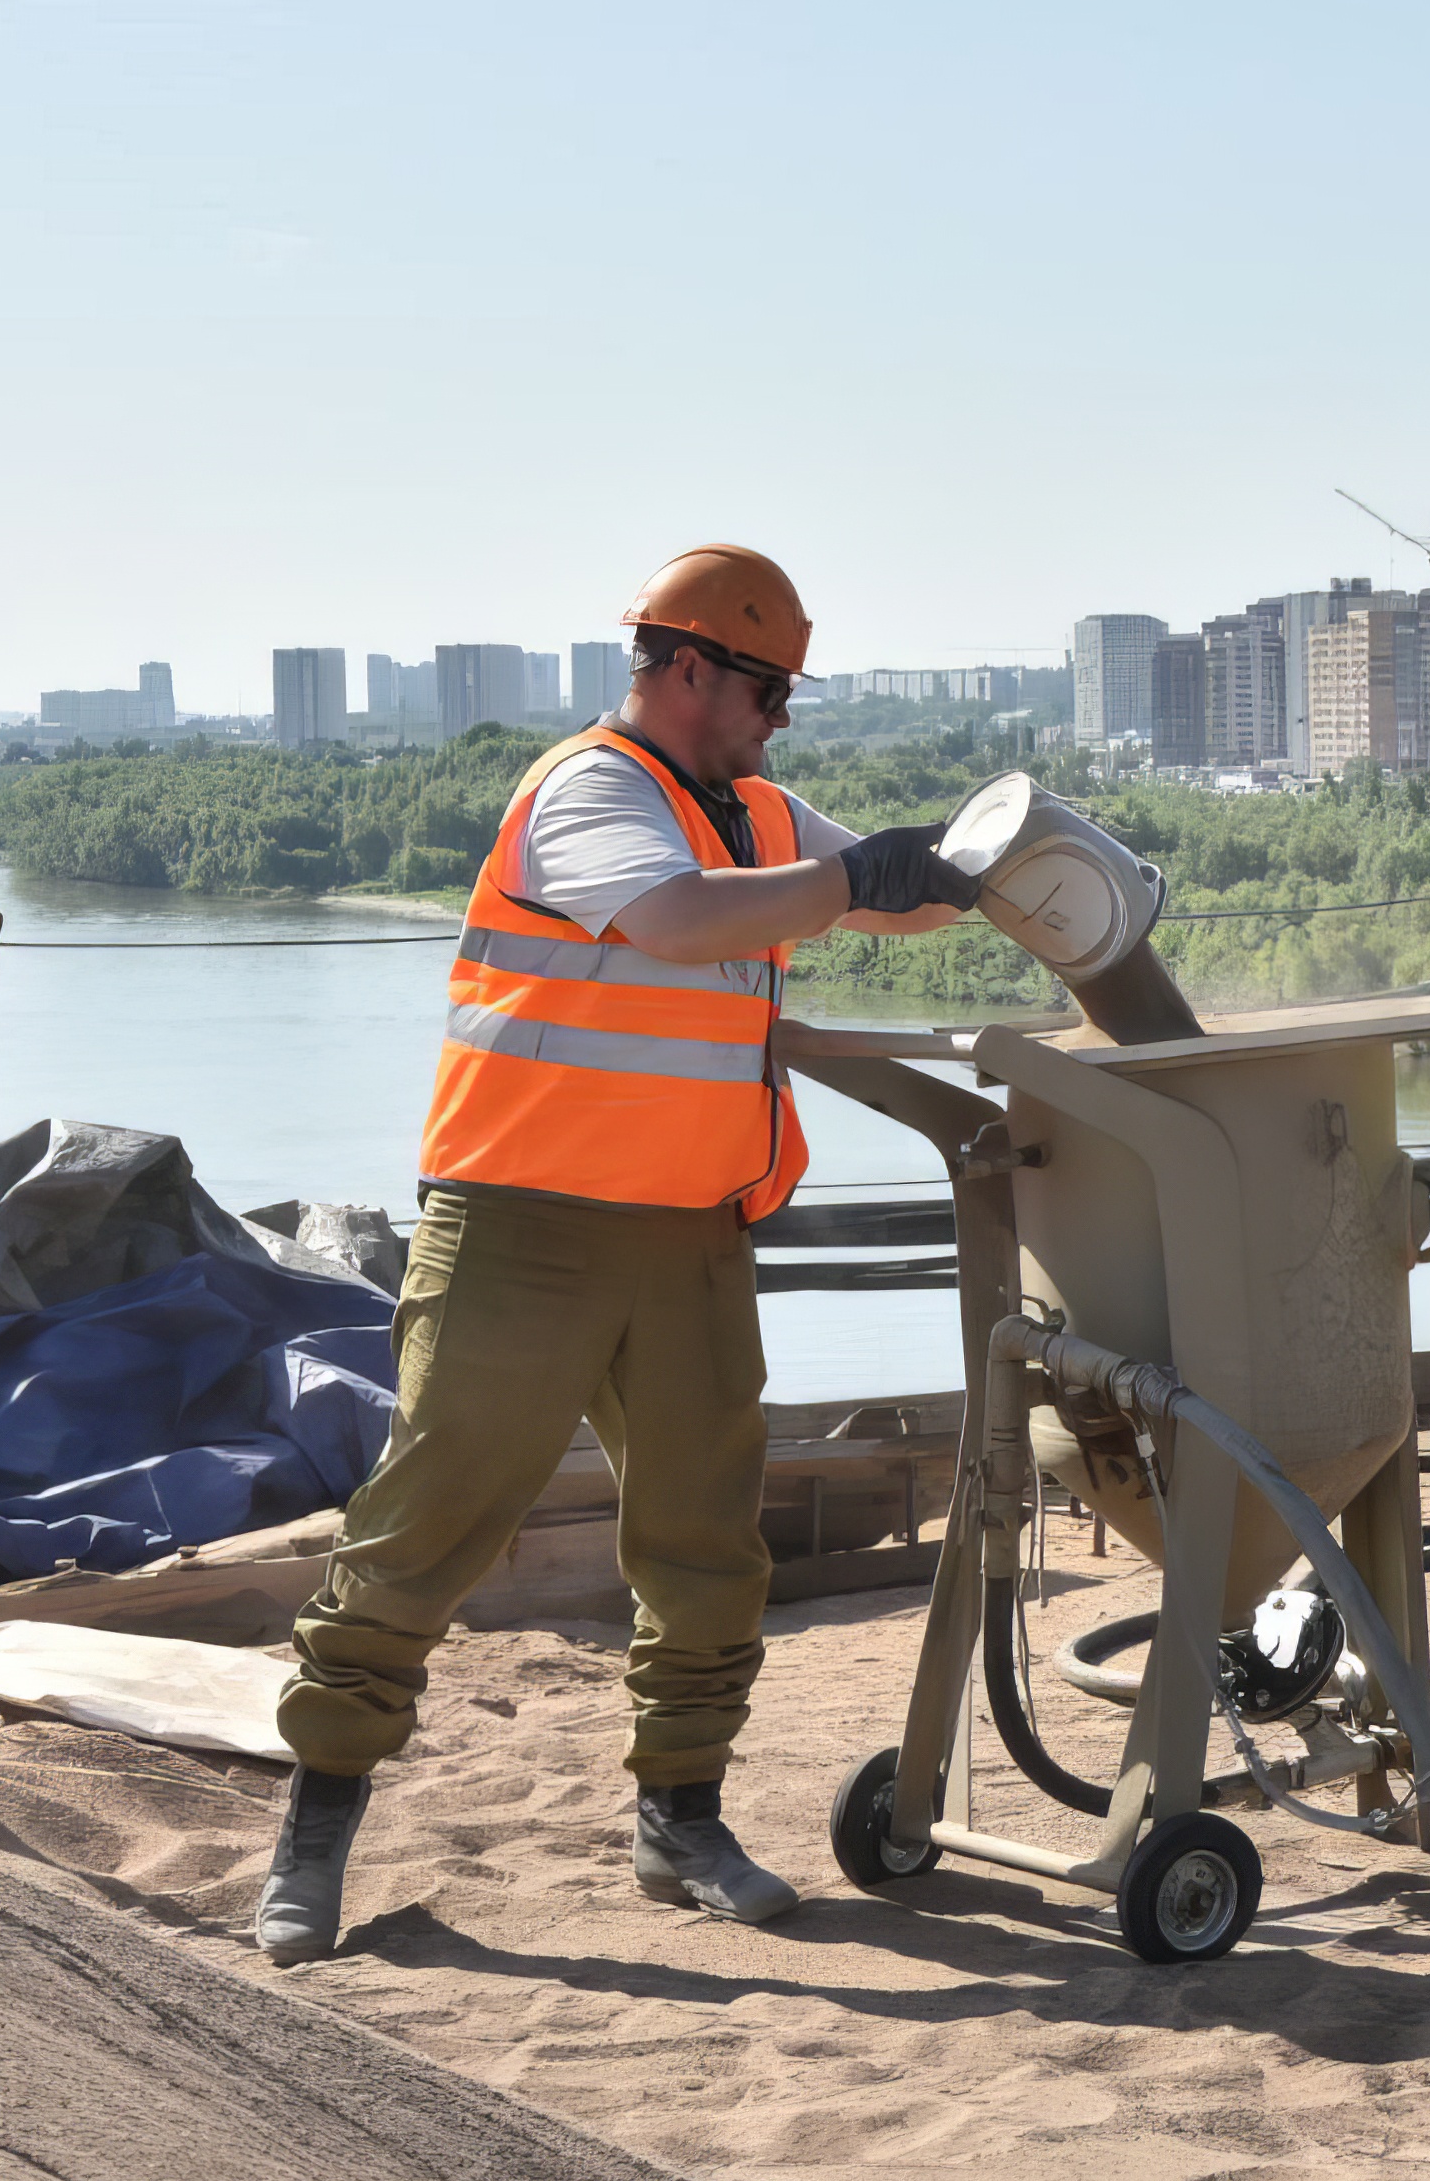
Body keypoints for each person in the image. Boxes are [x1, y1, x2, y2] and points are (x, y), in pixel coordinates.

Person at [254, 544, 980, 1962]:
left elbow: (903, 897)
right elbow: (675, 921)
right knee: (426, 1524)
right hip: (521, 1227)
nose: (783, 717)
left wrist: (987, 857)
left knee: (706, 1541)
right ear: (689, 666)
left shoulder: (755, 807)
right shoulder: (591, 790)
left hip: (690, 1234)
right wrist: (845, 882)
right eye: (768, 688)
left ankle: (681, 1820)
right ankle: (316, 1825)